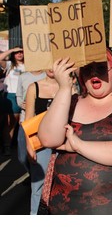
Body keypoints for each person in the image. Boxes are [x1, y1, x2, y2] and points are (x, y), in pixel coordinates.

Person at [38, 49, 112, 214]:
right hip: (64, 210)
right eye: (88, 68)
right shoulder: (69, 102)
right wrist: (64, 88)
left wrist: (77, 145)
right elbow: (48, 139)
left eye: (102, 67)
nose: (94, 72)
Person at [24, 69, 60, 215]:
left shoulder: (69, 86)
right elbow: (28, 119)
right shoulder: (33, 87)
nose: (51, 67)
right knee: (38, 185)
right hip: (40, 144)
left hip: (61, 143)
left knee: (60, 183)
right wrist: (29, 145)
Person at [16, 70, 46, 172]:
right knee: (22, 156)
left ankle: (35, 176)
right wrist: (25, 104)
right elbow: (19, 97)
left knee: (39, 156)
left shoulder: (47, 75)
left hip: (42, 121)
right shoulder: (23, 76)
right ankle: (30, 174)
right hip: (25, 119)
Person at [0, 46, 25, 156]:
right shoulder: (10, 64)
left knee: (20, 122)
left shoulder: (28, 65)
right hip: (11, 95)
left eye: (21, 52)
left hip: (24, 95)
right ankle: (7, 146)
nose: (19, 54)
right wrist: (11, 50)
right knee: (10, 122)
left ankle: (18, 145)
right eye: (17, 52)